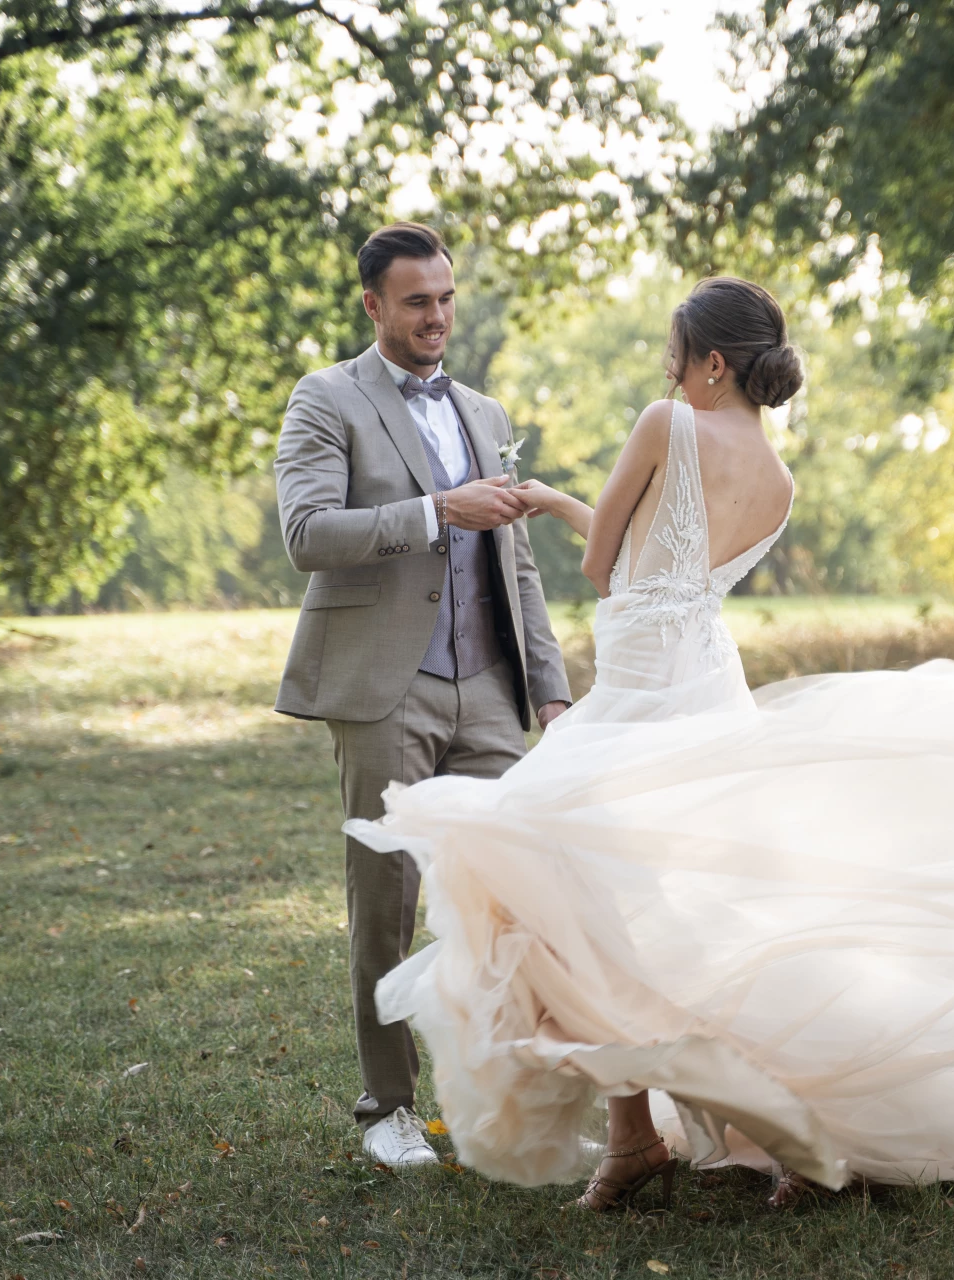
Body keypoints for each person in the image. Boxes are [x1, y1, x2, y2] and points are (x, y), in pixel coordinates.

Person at [344, 276, 954, 1209]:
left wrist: (572, 521)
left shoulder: (662, 424)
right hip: (707, 684)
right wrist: (556, 499)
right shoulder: (782, 481)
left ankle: (651, 1136)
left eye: (676, 354)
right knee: (707, 913)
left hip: (641, 693)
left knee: (575, 897)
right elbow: (662, 561)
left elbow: (609, 570)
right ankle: (731, 1138)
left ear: (712, 364)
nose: (667, 369)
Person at [273, 221, 572, 1169]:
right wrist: (438, 510)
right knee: (388, 897)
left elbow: (516, 559)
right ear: (373, 304)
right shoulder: (326, 399)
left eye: (445, 297)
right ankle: (390, 1107)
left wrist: (551, 691)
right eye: (417, 301)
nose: (437, 315)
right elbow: (309, 533)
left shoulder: (484, 412)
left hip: (490, 688)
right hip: (384, 689)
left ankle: (508, 1094)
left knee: (514, 896)